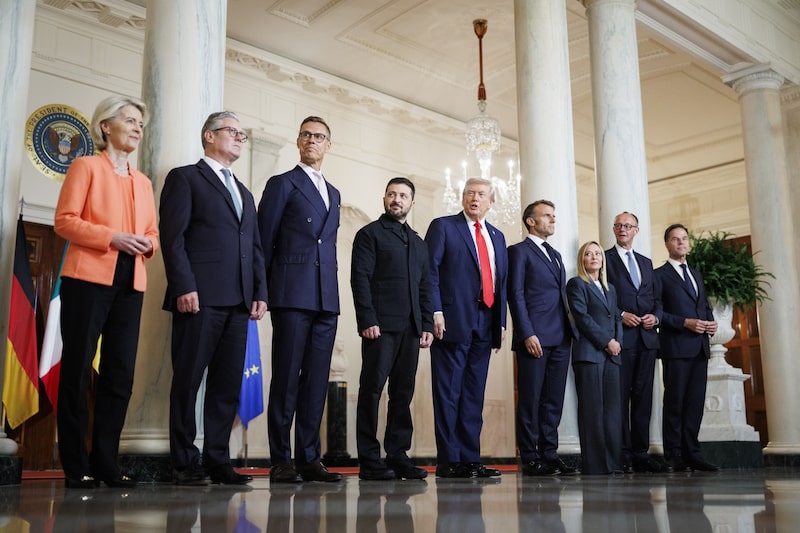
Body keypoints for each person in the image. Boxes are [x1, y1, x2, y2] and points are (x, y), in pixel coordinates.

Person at [54, 95, 159, 489]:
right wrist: (112, 237)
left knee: (121, 375)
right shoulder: (85, 166)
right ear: (105, 126)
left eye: (141, 124)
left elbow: (152, 233)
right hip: (87, 279)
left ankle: (106, 463)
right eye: (130, 120)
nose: (137, 128)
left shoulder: (144, 182)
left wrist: (148, 243)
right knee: (78, 370)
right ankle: (75, 465)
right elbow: (64, 221)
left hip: (131, 282)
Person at [160, 111, 267, 486]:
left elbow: (254, 248)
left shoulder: (245, 191)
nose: (239, 137)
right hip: (199, 298)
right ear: (209, 135)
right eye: (232, 131)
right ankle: (184, 462)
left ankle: (218, 460)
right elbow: (172, 238)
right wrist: (183, 286)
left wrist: (259, 293)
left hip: (239, 303)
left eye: (242, 134)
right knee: (188, 381)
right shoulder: (186, 178)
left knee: (225, 385)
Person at [258, 116, 343, 483]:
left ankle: (310, 457)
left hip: (326, 296)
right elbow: (263, 241)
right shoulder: (282, 183)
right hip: (291, 292)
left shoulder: (335, 193)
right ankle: (281, 459)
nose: (312, 140)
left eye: (319, 136)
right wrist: (260, 291)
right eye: (306, 135)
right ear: (297, 141)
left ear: (328, 145)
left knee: (316, 381)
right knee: (287, 378)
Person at [424, 177, 507, 479]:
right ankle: (449, 460)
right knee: (448, 392)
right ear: (461, 197)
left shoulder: (497, 236)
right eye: (470, 193)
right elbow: (429, 271)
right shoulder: (444, 226)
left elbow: (501, 282)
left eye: (481, 194)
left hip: (486, 323)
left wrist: (500, 322)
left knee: (473, 393)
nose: (475, 198)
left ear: (491, 202)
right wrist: (435, 311)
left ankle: (470, 458)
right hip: (451, 320)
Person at [351, 177, 434, 481]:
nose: (396, 199)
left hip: (411, 329)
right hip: (380, 326)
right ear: (384, 199)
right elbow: (360, 279)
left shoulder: (418, 242)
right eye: (391, 194)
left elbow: (425, 287)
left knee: (403, 393)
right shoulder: (369, 234)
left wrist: (426, 324)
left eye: (402, 195)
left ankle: (398, 454)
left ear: (412, 202)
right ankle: (370, 459)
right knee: (372, 390)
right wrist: (367, 320)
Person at [507, 200, 578, 476]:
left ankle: (549, 453)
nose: (553, 220)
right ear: (531, 221)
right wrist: (526, 332)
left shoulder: (556, 255)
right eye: (547, 216)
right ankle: (530, 456)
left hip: (561, 337)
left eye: (554, 215)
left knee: (553, 400)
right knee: (530, 398)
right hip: (534, 337)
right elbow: (516, 295)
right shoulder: (518, 252)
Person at [604, 212, 669, 473]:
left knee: (644, 398)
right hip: (621, 339)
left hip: (647, 340)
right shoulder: (605, 259)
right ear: (614, 229)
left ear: (636, 231)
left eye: (628, 226)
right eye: (619, 225)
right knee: (620, 398)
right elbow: (602, 295)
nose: (623, 229)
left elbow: (658, 300)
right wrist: (620, 314)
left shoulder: (646, 262)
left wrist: (657, 316)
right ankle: (622, 453)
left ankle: (641, 453)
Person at [655, 223, 719, 472]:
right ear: (667, 244)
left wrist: (711, 321)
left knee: (694, 403)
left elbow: (702, 305)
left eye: (684, 239)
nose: (681, 243)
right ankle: (674, 455)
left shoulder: (696, 273)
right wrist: (685, 323)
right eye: (675, 239)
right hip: (676, 347)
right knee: (675, 402)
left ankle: (693, 453)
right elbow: (658, 312)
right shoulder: (659, 275)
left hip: (699, 347)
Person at [566, 241, 623, 475]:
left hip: (612, 356)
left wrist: (618, 342)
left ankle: (613, 464)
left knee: (612, 412)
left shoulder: (610, 287)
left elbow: (616, 318)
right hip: (590, 355)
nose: (594, 257)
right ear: (582, 259)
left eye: (597, 253)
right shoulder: (577, 284)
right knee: (592, 411)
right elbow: (582, 317)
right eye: (588, 254)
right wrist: (606, 342)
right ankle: (596, 465)